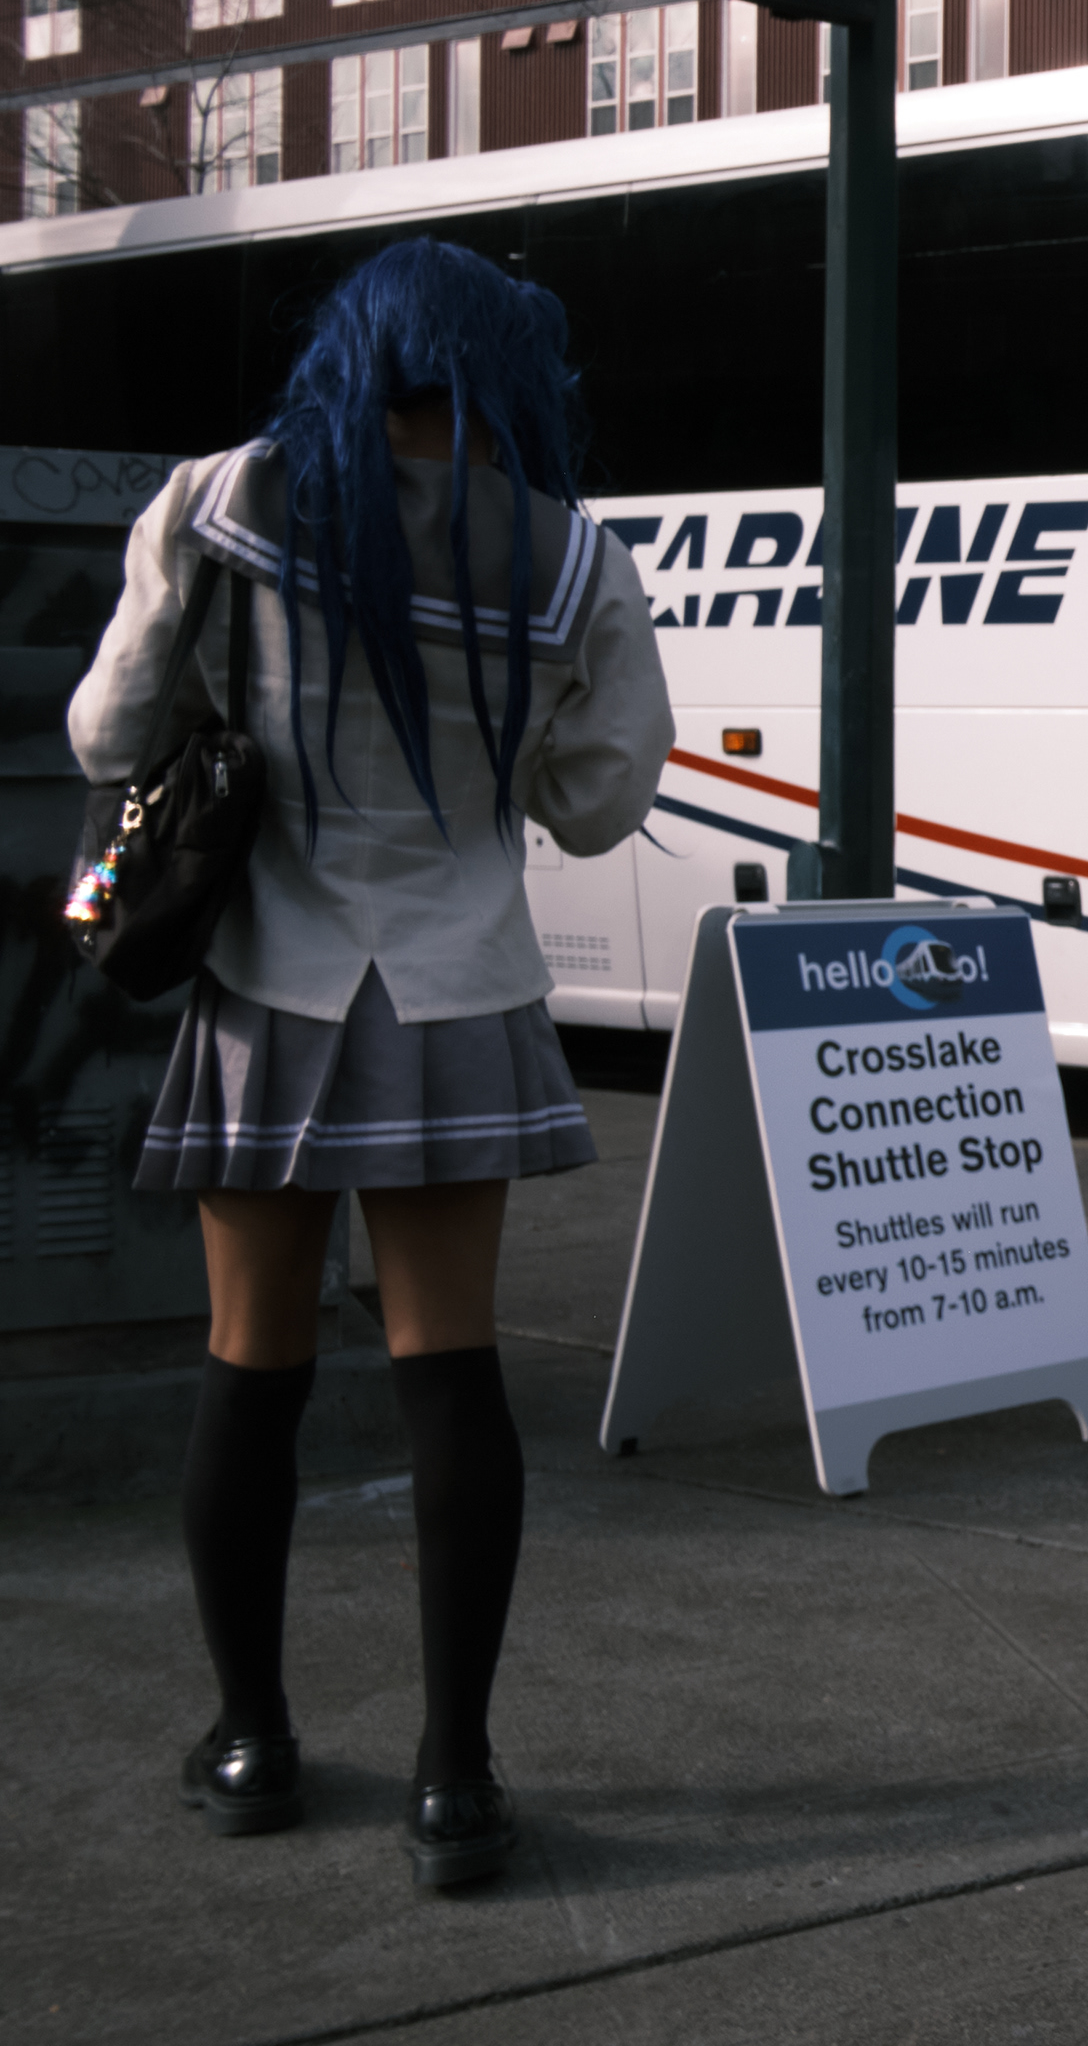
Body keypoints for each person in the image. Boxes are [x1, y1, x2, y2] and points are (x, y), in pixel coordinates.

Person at [69, 238, 671, 1886]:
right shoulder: (564, 553)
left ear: (356, 348)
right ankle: (454, 1778)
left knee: (249, 1368)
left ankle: (252, 1739)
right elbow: (599, 802)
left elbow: (109, 737)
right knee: (451, 1379)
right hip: (460, 997)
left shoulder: (223, 499)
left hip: (269, 990)